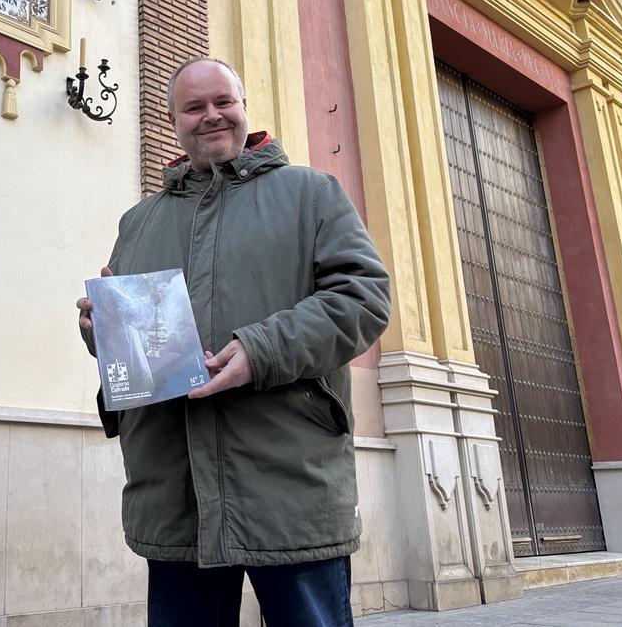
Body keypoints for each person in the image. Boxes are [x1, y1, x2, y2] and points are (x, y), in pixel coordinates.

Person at [75, 58, 391, 627]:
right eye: (193, 107)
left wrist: (259, 351)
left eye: (223, 102)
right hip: (176, 493)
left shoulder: (311, 194)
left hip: (288, 485)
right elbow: (138, 351)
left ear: (245, 107)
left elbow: (362, 300)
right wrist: (102, 332)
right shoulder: (138, 222)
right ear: (173, 120)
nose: (211, 116)